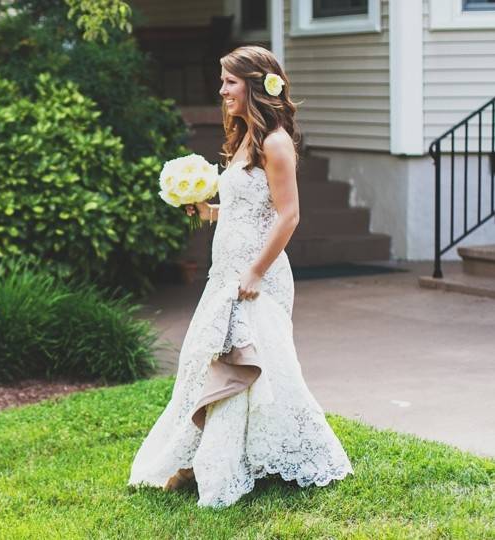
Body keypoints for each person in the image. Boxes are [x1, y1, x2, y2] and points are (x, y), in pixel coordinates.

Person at [127, 45, 354, 508]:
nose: (222, 90)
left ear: (255, 84)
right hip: (224, 274)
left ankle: (237, 460)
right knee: (205, 359)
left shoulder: (275, 143)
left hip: (257, 280)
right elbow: (245, 208)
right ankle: (207, 457)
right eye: (223, 81)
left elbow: (288, 216)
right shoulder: (246, 140)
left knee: (249, 365)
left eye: (230, 81)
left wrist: (255, 270)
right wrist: (208, 209)